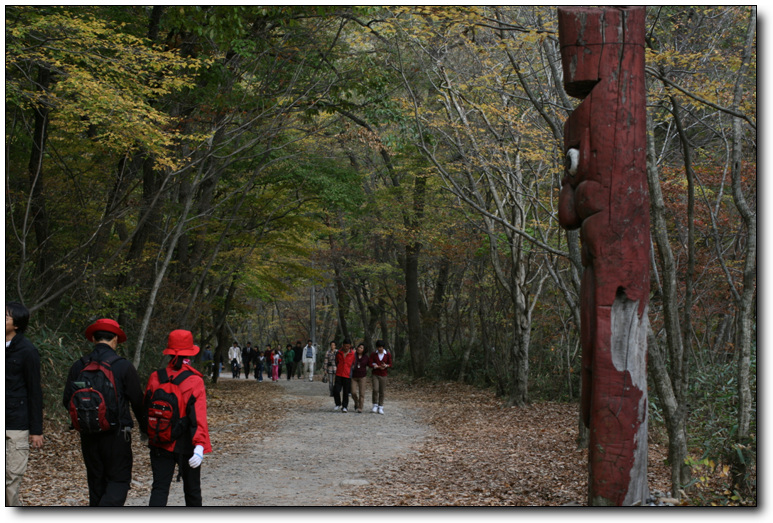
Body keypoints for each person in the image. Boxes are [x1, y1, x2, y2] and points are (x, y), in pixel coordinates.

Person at [62, 318, 144, 506]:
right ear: (115, 339)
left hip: (88, 434)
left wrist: (87, 418)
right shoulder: (123, 366)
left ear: (93, 340)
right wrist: (146, 430)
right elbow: (138, 401)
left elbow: (67, 400)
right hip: (117, 435)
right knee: (119, 480)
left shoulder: (79, 365)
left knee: (96, 482)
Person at [144, 329, 212, 506]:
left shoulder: (155, 377)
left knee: (159, 488)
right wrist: (200, 446)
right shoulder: (195, 381)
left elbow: (146, 408)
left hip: (160, 439)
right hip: (186, 444)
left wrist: (149, 433)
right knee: (192, 491)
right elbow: (198, 417)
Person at [5, 302, 44, 506]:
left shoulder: (27, 351)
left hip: (16, 424)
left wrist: (36, 430)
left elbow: (34, 391)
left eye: (6, 317)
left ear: (17, 324)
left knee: (11, 476)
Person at [332, 339, 355, 413]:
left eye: (348, 346)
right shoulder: (338, 352)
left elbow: (354, 364)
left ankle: (345, 406)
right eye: (345, 346)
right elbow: (336, 361)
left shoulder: (353, 354)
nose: (346, 348)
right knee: (336, 390)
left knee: (346, 392)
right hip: (339, 373)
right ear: (343, 345)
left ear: (350, 346)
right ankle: (337, 403)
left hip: (347, 374)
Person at [370, 340, 392, 415]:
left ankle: (381, 406)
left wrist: (386, 365)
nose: (380, 349)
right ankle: (375, 405)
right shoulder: (373, 354)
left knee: (382, 391)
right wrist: (374, 365)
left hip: (383, 374)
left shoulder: (387, 354)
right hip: (375, 374)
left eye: (381, 347)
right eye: (379, 347)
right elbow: (370, 363)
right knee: (375, 389)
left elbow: (390, 364)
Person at [350, 342, 370, 413]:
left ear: (364, 350)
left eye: (361, 348)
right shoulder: (353, 355)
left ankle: (360, 407)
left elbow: (370, 364)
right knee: (353, 392)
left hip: (362, 377)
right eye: (359, 347)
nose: (359, 348)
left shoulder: (366, 357)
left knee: (362, 393)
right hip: (354, 376)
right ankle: (356, 402)